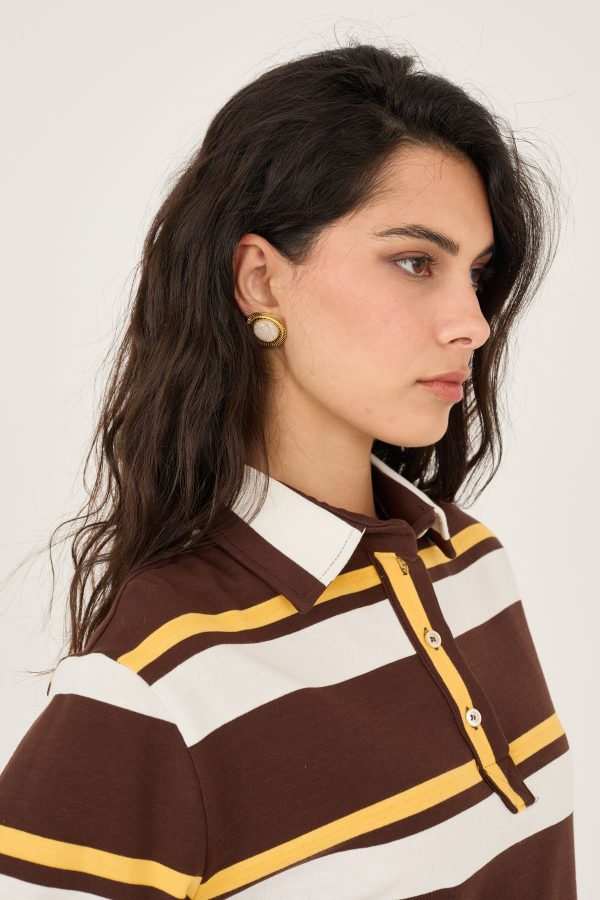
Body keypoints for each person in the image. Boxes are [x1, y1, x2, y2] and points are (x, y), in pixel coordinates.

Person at [0, 41, 576, 899]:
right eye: (416, 262)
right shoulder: (154, 684)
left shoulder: (473, 565)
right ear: (262, 281)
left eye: (477, 273)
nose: (473, 322)